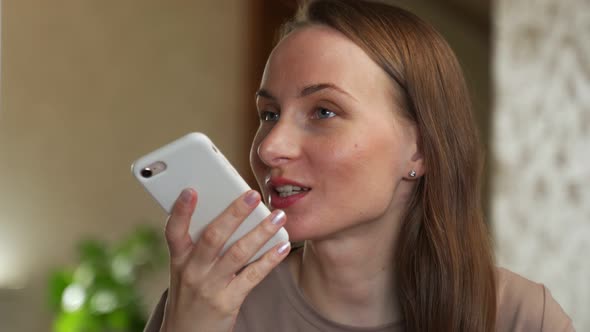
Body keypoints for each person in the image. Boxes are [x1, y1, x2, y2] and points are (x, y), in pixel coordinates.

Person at [144, 0, 574, 331]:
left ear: (420, 149)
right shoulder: (210, 304)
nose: (270, 147)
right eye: (269, 114)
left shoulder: (519, 317)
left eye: (324, 112)